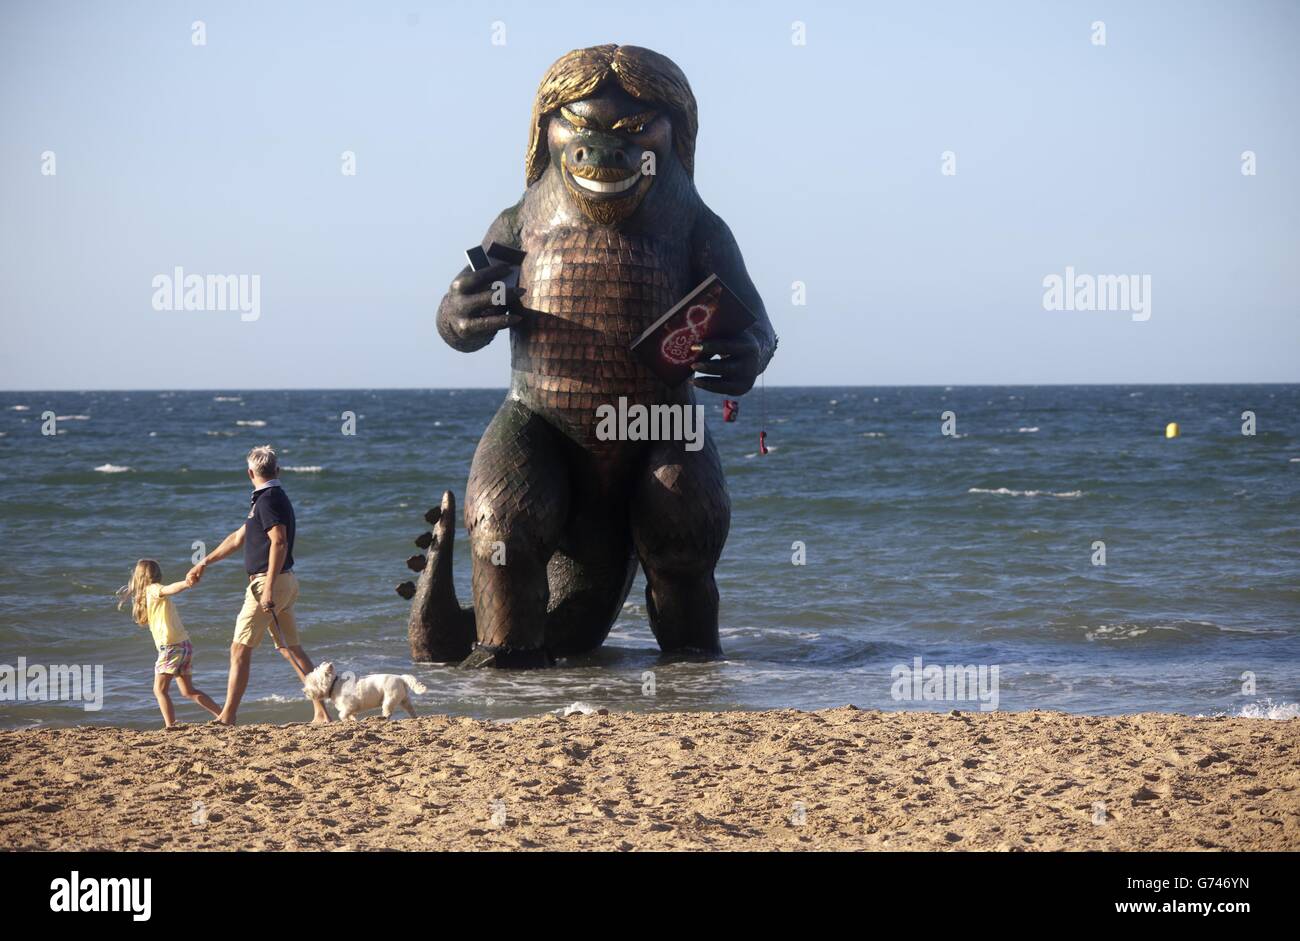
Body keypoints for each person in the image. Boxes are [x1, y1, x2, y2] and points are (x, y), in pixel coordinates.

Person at [187, 445, 330, 724]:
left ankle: (227, 715)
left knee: (239, 649)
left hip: (269, 582)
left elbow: (279, 541)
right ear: (277, 470)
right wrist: (204, 562)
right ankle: (321, 712)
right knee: (290, 648)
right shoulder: (267, 499)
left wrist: (266, 588)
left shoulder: (267, 500)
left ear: (249, 472)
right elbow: (238, 537)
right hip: (284, 581)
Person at [118, 559, 221, 727]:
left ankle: (170, 725)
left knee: (159, 690)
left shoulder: (153, 589)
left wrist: (186, 584)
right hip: (184, 645)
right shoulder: (151, 595)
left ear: (139, 576)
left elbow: (169, 589)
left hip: (172, 647)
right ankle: (223, 716)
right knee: (188, 691)